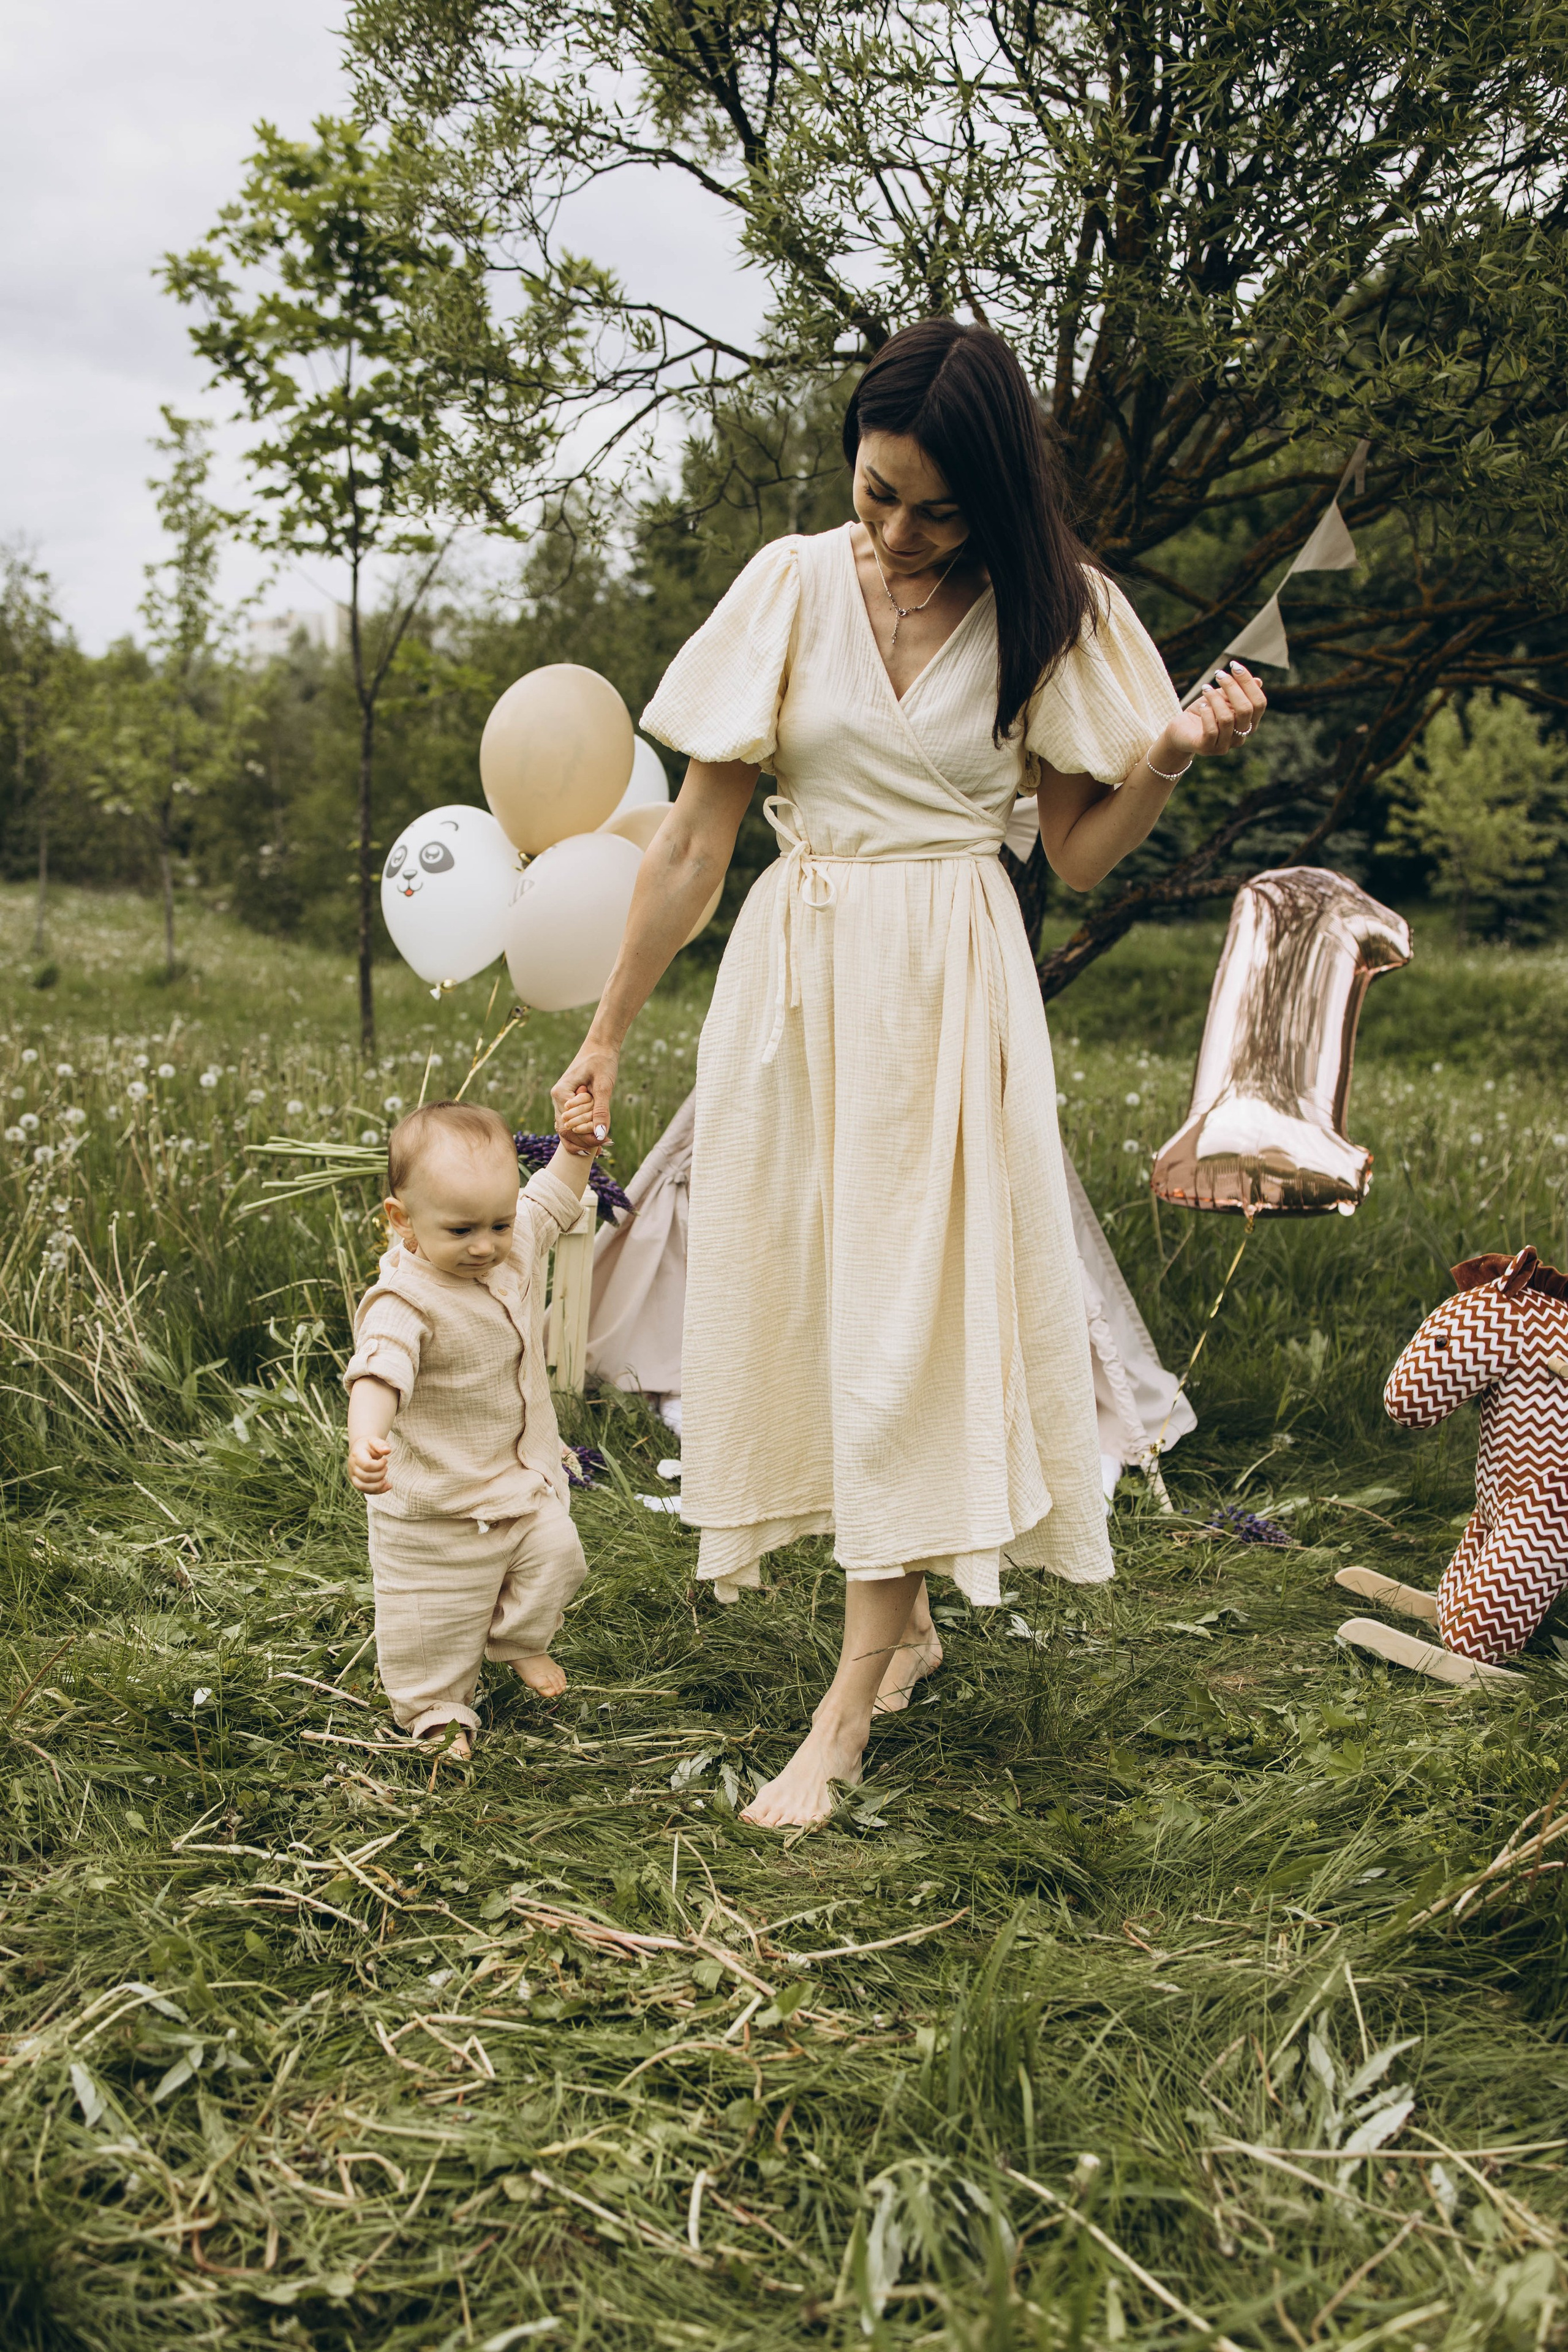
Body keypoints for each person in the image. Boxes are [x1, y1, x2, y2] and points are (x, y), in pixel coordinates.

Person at [552, 317, 1266, 1826]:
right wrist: (605, 1033)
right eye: (877, 493)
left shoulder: (1049, 610)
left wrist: (1168, 757)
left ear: (993, 497)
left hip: (947, 990)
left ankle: (840, 1712)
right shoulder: (793, 586)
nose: (898, 533)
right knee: (816, 1302)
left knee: (902, 1313)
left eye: (936, 510)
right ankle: (907, 1622)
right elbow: (690, 841)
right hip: (795, 985)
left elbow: (1072, 853)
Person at [344, 1092, 602, 1760]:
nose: (485, 1246)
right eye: (461, 1231)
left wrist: (574, 1152)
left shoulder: (510, 1247)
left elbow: (549, 1202)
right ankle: (437, 1710)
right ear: (403, 1221)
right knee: (430, 1618)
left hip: (519, 1481)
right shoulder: (407, 1299)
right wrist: (365, 1436)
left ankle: (516, 1638)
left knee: (558, 1557)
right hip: (437, 1505)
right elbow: (379, 1370)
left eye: (497, 1223)